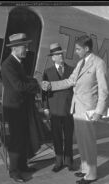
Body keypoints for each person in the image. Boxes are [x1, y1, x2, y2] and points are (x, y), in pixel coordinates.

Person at [42, 35, 109, 184]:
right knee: (81, 142)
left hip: (89, 110)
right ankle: (85, 169)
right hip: (77, 109)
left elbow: (104, 90)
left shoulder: (98, 63)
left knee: (89, 143)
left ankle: (91, 175)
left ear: (86, 48)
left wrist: (99, 111)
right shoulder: (80, 63)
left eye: (78, 49)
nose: (76, 52)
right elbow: (70, 81)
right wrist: (51, 85)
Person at [1, 33, 40, 182]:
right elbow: (18, 86)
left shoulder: (17, 63)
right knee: (16, 139)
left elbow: (23, 81)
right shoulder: (8, 64)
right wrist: (34, 85)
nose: (27, 49)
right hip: (14, 108)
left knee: (23, 137)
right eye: (25, 46)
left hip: (20, 106)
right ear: (15, 48)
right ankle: (14, 171)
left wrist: (31, 82)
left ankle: (23, 165)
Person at [42, 43, 75, 172]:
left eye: (61, 53)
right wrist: (45, 108)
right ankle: (58, 162)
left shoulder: (71, 70)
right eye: (57, 54)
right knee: (56, 136)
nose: (60, 56)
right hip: (54, 110)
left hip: (68, 109)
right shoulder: (47, 72)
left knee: (68, 136)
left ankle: (69, 161)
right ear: (53, 58)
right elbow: (44, 93)